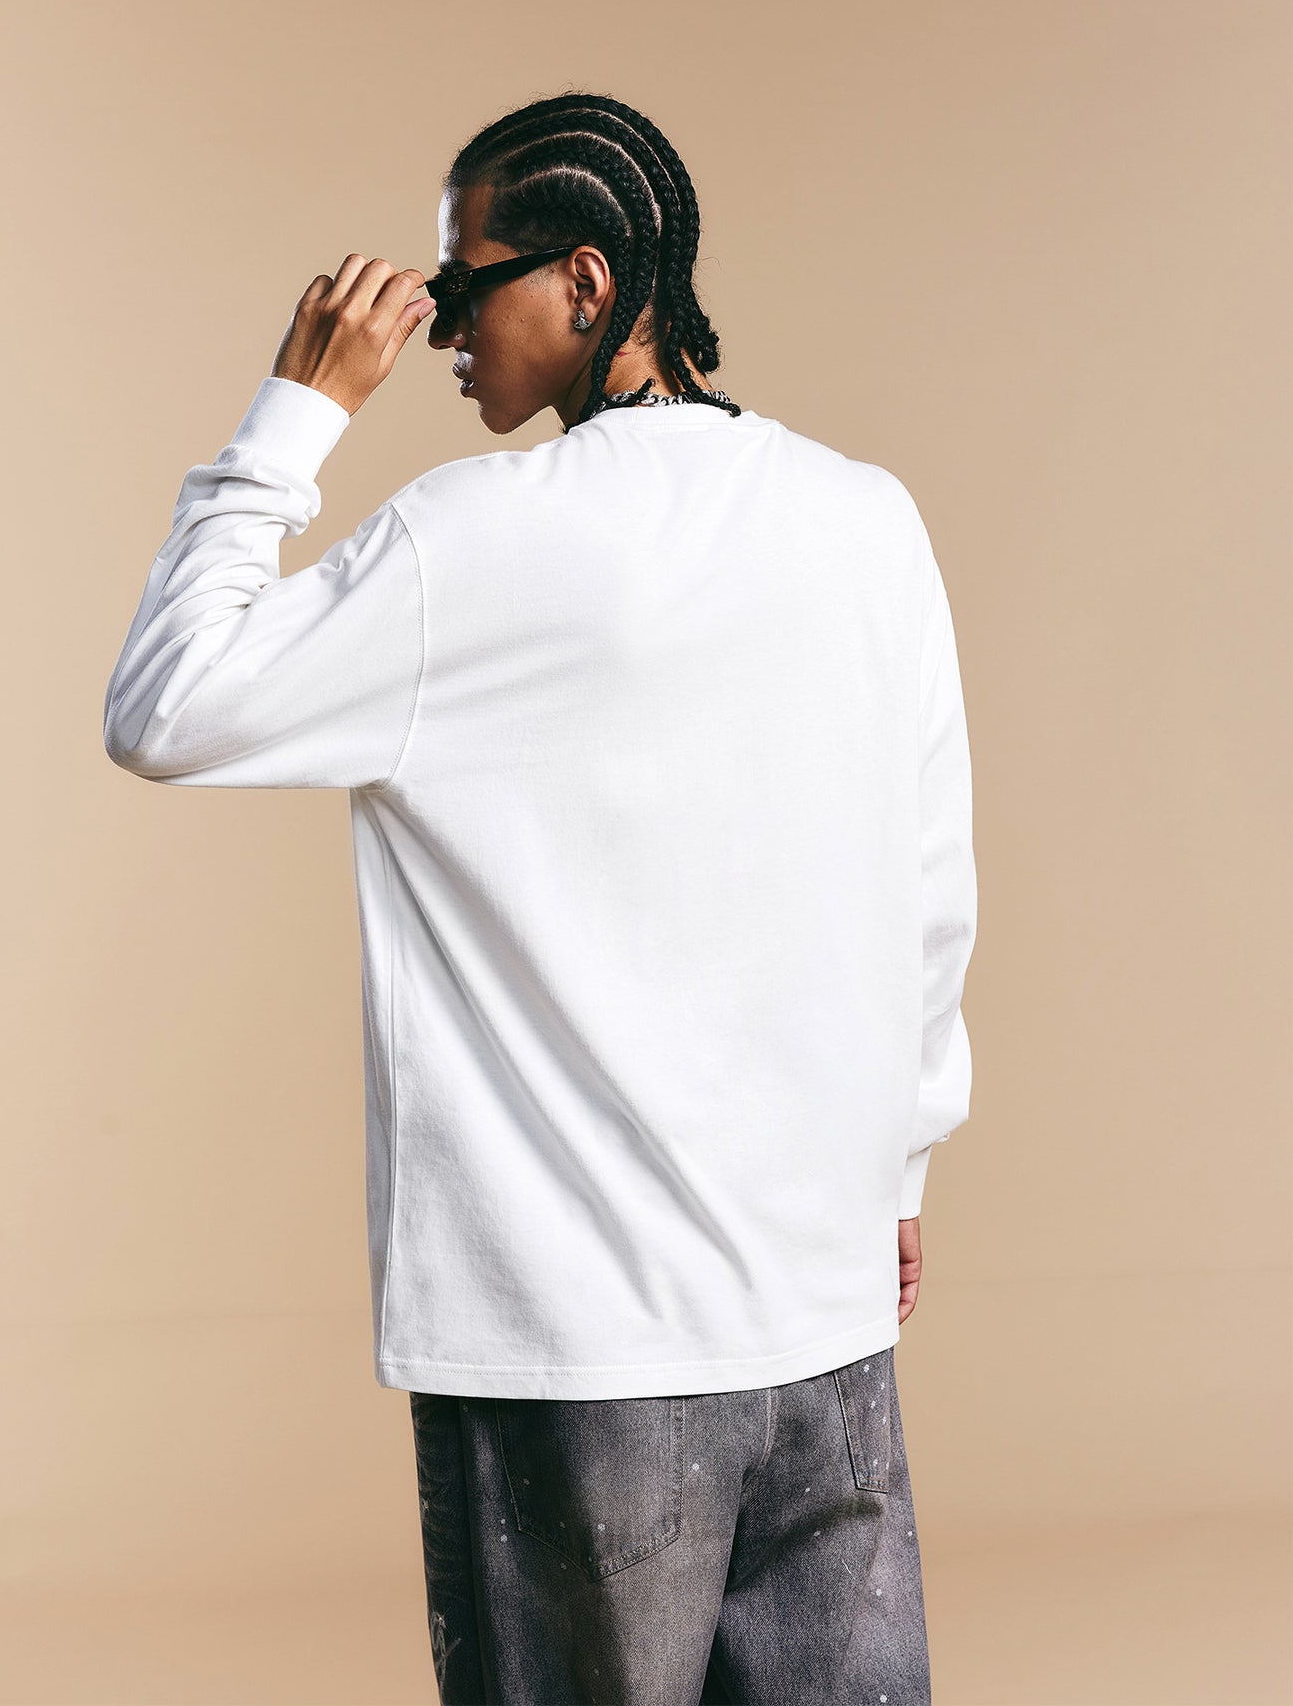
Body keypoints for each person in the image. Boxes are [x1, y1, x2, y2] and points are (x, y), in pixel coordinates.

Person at [104, 89, 977, 1705]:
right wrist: (902, 1167)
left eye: (461, 282)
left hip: (581, 1340)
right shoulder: (866, 517)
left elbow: (164, 706)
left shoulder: (472, 542)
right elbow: (931, 880)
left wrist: (297, 410)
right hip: (821, 1314)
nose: (437, 326)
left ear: (585, 282)